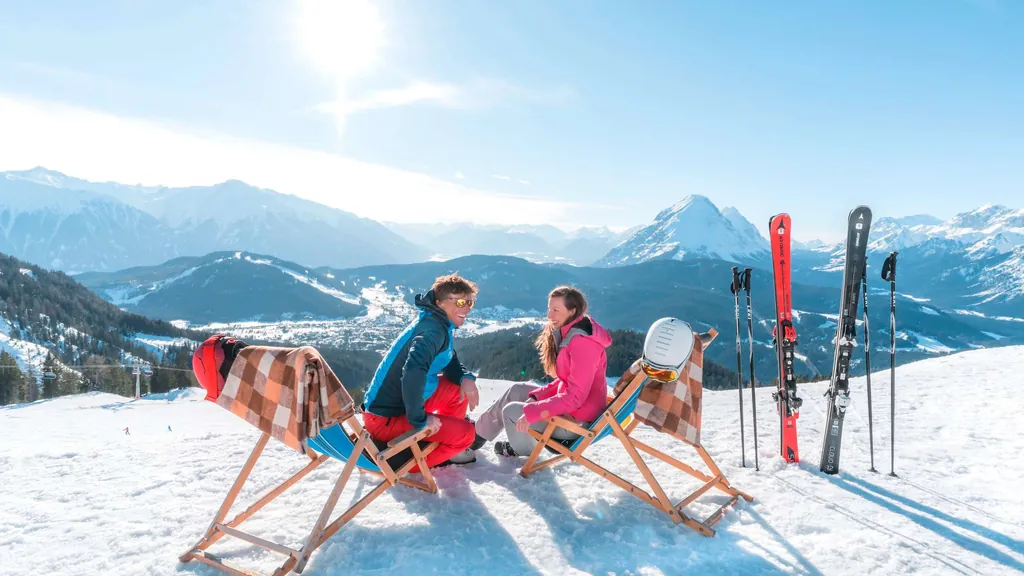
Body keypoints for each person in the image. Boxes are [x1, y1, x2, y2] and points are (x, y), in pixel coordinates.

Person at [473, 285, 612, 457]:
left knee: (513, 410)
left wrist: (534, 411)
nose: (549, 316)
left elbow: (575, 397)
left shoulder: (583, 344)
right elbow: (565, 382)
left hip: (575, 424)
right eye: (549, 309)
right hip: (570, 410)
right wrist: (535, 398)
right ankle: (476, 437)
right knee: (518, 391)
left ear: (572, 311)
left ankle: (522, 450)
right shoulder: (572, 334)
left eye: (556, 310)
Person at [361, 274, 481, 470]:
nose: (467, 307)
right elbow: (412, 374)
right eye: (460, 301)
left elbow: (449, 358)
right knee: (467, 434)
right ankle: (400, 462)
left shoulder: (437, 322)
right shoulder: (432, 332)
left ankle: (443, 440)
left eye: (470, 302)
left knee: (457, 389)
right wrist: (420, 420)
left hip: (399, 406)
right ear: (440, 302)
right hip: (385, 420)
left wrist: (465, 377)